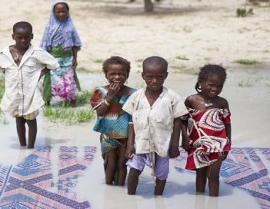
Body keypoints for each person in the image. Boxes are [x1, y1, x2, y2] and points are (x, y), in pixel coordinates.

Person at [123, 56, 188, 195]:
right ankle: (130, 199)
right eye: (150, 77)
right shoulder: (136, 97)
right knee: (134, 170)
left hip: (162, 143)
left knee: (161, 174)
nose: (154, 80)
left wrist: (175, 145)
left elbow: (178, 121)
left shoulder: (172, 97)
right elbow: (131, 121)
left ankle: (158, 198)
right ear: (143, 76)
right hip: (140, 142)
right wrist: (129, 145)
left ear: (166, 76)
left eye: (159, 77)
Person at [0, 21, 59, 149]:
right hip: (15, 94)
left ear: (32, 36)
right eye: (19, 37)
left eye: (26, 37)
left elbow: (53, 64)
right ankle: (22, 146)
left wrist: (39, 74)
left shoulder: (36, 52)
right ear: (13, 37)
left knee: (31, 120)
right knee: (19, 121)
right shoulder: (5, 54)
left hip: (31, 94)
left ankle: (30, 148)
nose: (23, 40)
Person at [182, 64, 231, 197]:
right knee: (200, 175)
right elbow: (183, 120)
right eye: (211, 84)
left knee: (213, 176)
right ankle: (200, 202)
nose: (215, 89)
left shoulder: (222, 103)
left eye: (219, 86)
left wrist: (228, 144)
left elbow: (227, 123)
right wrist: (184, 138)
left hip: (218, 145)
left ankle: (213, 202)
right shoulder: (191, 100)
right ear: (200, 82)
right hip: (198, 144)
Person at [90, 56, 136, 186]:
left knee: (122, 164)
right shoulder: (100, 91)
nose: (117, 77)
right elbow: (100, 112)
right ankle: (109, 189)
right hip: (108, 136)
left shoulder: (134, 93)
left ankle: (120, 189)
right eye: (113, 74)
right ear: (106, 75)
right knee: (111, 164)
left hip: (126, 136)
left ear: (127, 75)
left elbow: (136, 117)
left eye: (122, 74)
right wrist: (110, 96)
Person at [40, 1, 82, 106]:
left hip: (68, 58)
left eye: (64, 11)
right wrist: (45, 61)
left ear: (68, 12)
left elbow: (75, 44)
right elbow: (45, 44)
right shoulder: (49, 27)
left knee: (69, 81)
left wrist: (75, 59)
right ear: (53, 12)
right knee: (51, 81)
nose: (61, 14)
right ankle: (47, 102)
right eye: (58, 12)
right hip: (53, 58)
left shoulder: (70, 26)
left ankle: (71, 102)